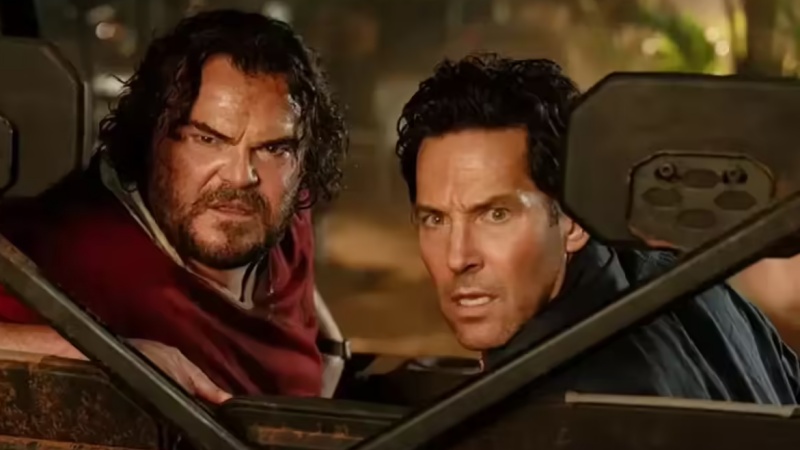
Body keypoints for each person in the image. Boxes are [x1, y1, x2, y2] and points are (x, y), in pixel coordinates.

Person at [395, 53, 799, 403]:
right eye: (435, 219)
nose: (458, 257)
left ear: (573, 221)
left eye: (495, 215)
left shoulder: (561, 409)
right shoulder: (696, 287)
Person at [0, 10, 347, 403]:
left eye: (272, 148)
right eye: (207, 139)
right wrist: (110, 356)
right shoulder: (61, 251)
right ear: (151, 136)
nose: (240, 177)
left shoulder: (285, 215)